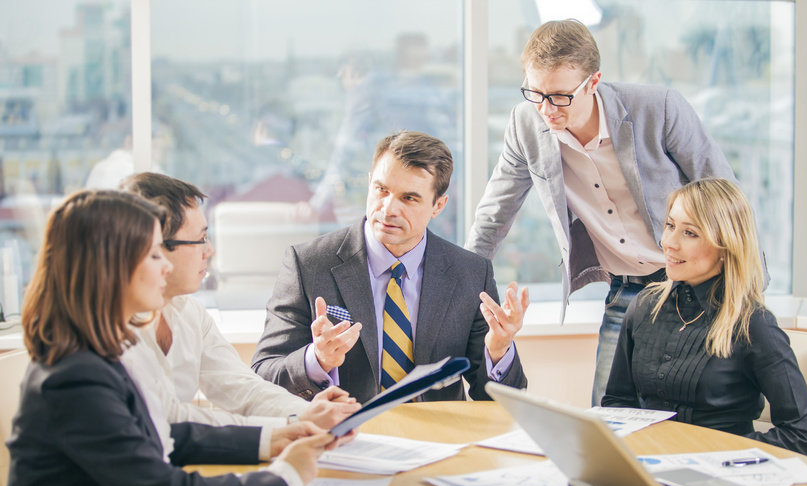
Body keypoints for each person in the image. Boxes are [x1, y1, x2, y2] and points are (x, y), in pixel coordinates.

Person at [0, 190, 337, 486]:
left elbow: (161, 435)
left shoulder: (96, 353)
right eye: (155, 255)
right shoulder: (76, 376)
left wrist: (271, 440)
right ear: (113, 266)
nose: (165, 268)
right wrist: (285, 478)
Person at [464, 19, 754, 406]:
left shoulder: (658, 108)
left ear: (594, 81)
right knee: (608, 416)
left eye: (560, 96)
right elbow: (494, 215)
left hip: (703, 288)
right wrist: (461, 290)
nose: (546, 109)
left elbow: (726, 196)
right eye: (535, 93)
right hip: (627, 290)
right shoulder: (526, 124)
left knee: (699, 410)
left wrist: (749, 294)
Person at [252, 130, 529, 402]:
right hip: (346, 436)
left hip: (436, 440)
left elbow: (502, 401)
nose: (388, 209)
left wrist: (499, 350)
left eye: (409, 198)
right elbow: (263, 375)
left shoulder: (470, 274)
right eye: (381, 190)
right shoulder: (309, 265)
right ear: (370, 181)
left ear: (438, 205)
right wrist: (317, 360)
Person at [118, 172, 360, 447]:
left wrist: (308, 413)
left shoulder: (190, 313)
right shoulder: (111, 327)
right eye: (200, 239)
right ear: (155, 245)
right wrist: (289, 427)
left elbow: (241, 386)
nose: (210, 251)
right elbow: (171, 418)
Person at [602, 179, 807, 455]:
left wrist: (718, 454)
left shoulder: (753, 324)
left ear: (726, 247)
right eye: (670, 226)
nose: (668, 242)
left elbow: (803, 433)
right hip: (653, 469)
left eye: (689, 233)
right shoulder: (644, 306)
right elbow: (616, 402)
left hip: (722, 479)